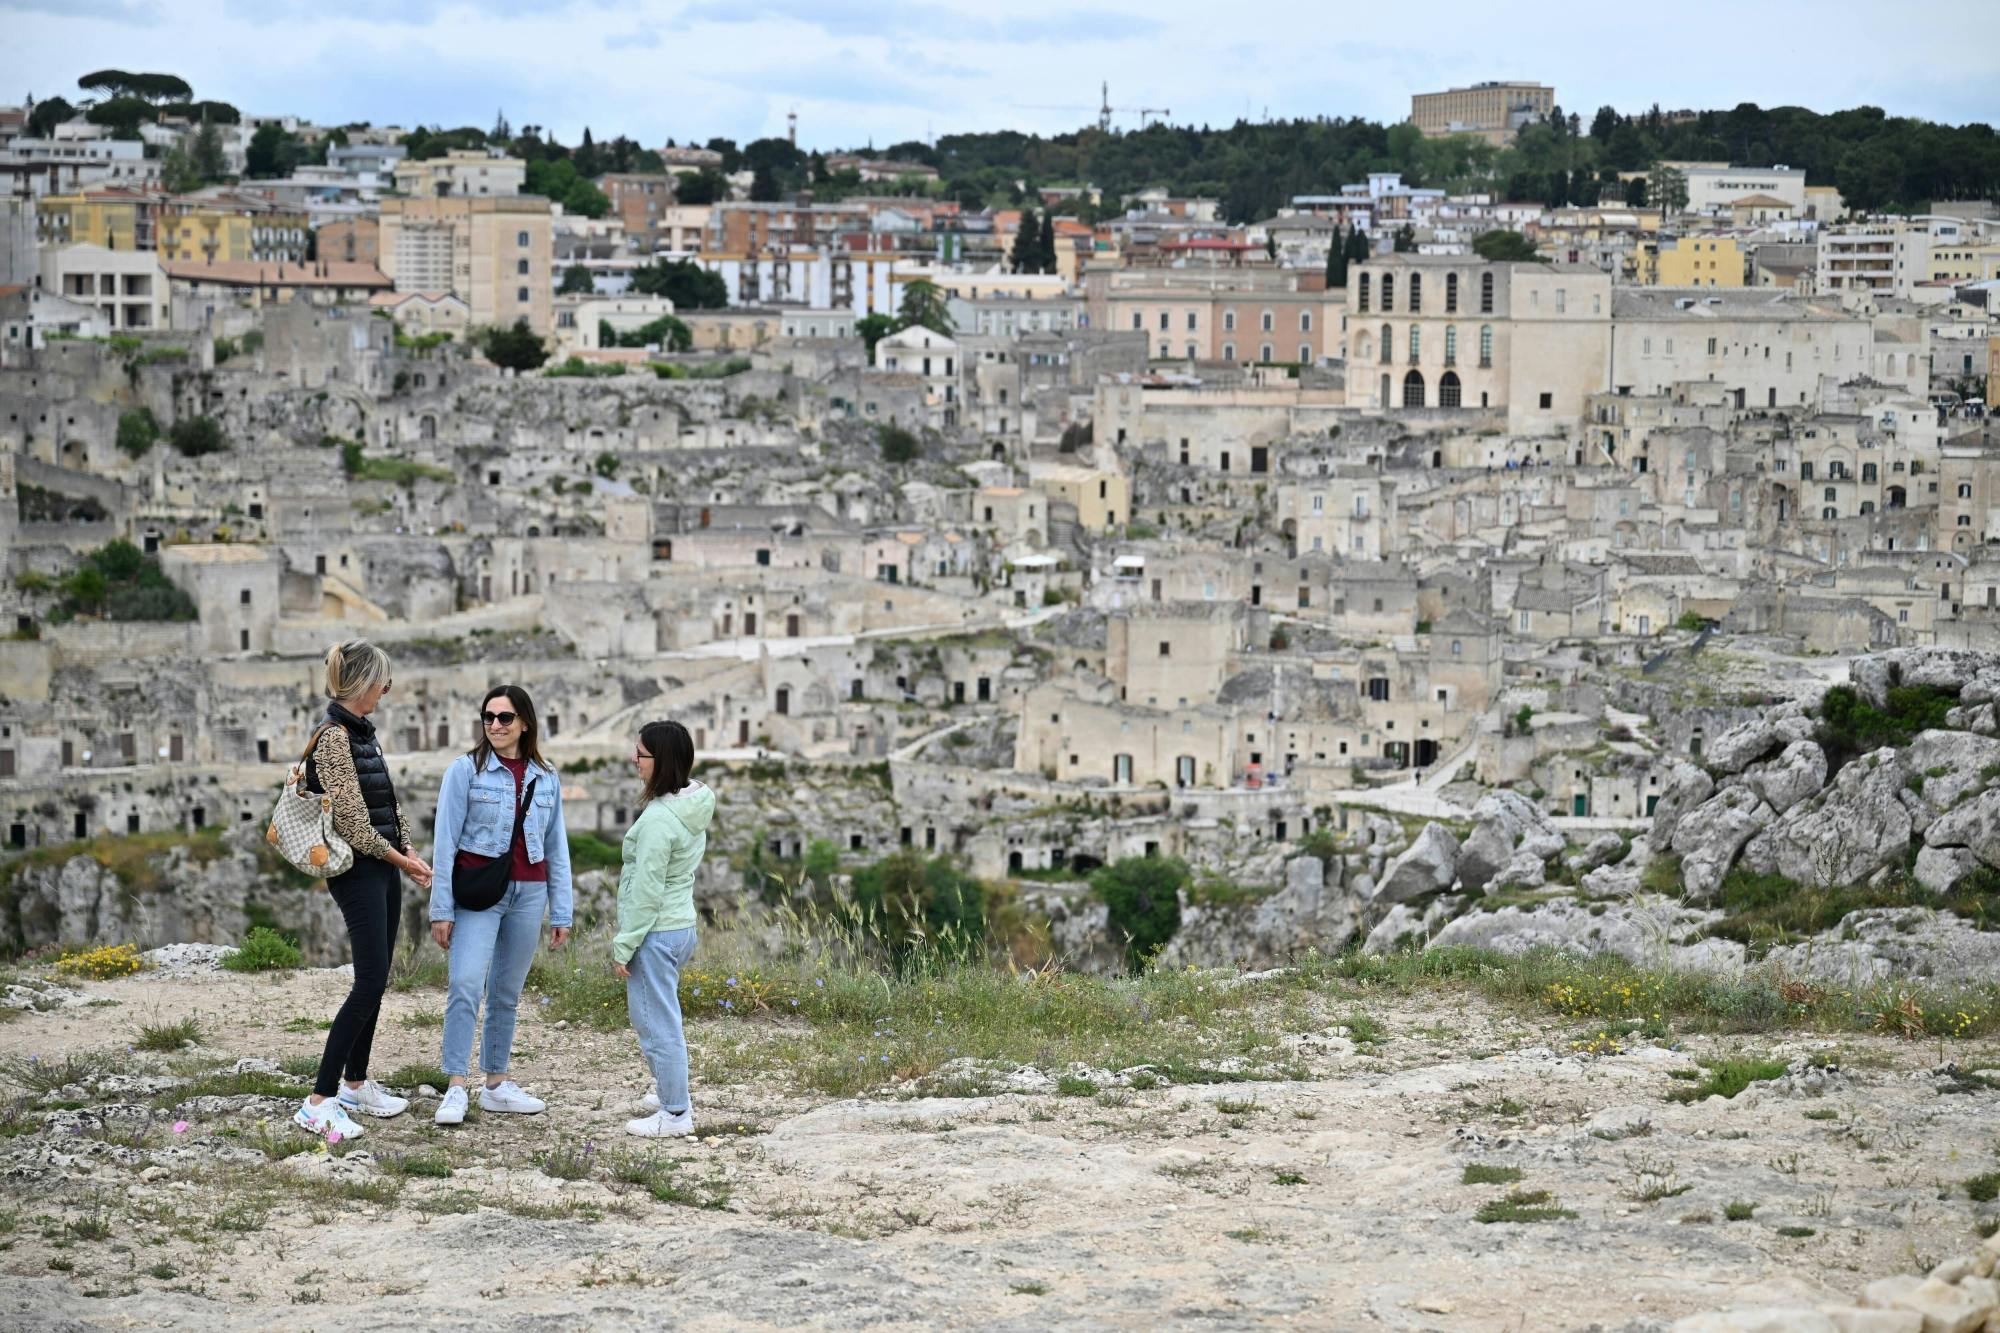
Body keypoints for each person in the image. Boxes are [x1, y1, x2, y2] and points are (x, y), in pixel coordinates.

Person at [295, 640, 433, 1141]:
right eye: (383, 681)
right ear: (361, 683)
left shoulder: (363, 733)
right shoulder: (334, 738)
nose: (387, 690)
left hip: (382, 865)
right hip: (358, 869)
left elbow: (385, 803)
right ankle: (319, 1101)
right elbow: (353, 822)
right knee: (370, 981)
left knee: (378, 977)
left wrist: (408, 853)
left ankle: (354, 1084)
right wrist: (402, 859)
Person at [428, 685, 574, 1126]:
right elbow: (445, 841)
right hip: (478, 894)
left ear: (524, 722)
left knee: (506, 994)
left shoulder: (546, 777)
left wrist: (561, 909)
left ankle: (496, 1083)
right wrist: (442, 908)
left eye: (504, 718)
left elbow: (557, 846)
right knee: (466, 985)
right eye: (488, 717)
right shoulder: (464, 771)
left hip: (529, 894)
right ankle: (456, 1085)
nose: (494, 725)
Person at [614, 720, 714, 1138]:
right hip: (680, 925)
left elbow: (648, 892)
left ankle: (675, 1113)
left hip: (655, 931)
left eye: (641, 754)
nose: (634, 760)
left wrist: (625, 944)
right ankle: (668, 1090)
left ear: (662, 761)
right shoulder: (695, 803)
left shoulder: (658, 820)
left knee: (657, 1022)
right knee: (655, 1015)